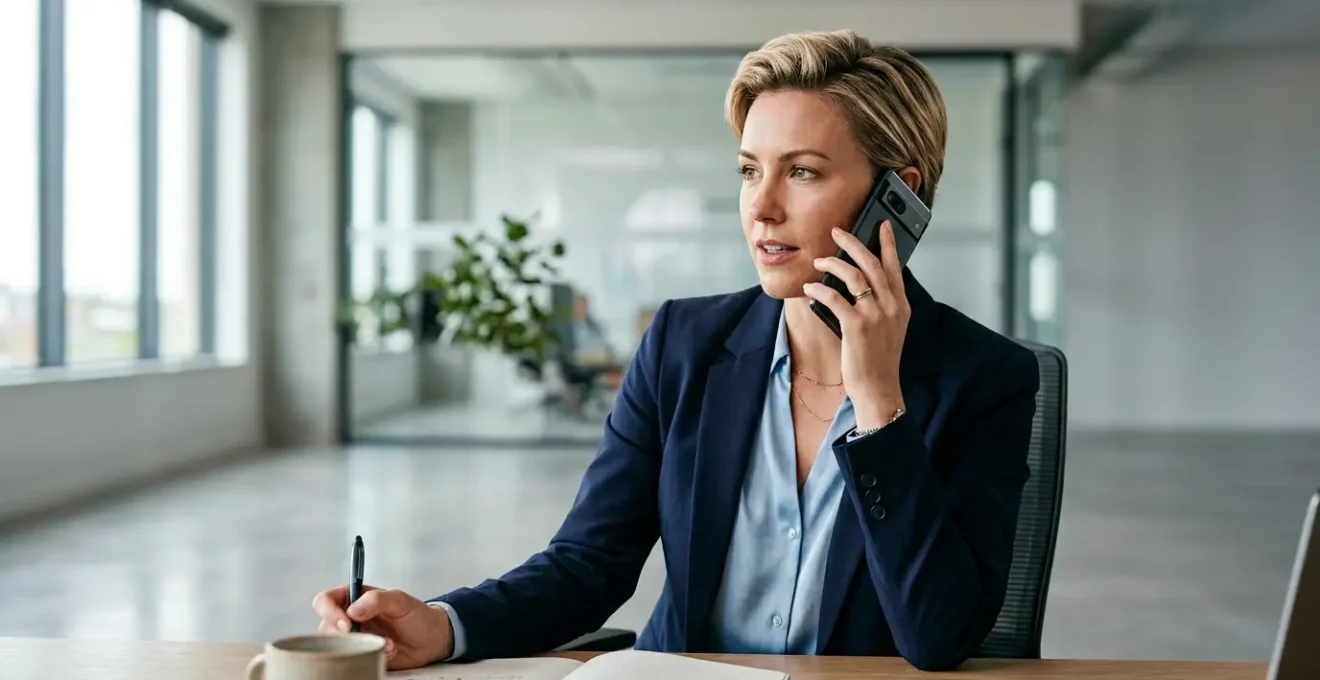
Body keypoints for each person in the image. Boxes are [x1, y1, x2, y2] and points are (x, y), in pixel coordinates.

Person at [313, 30, 1039, 673]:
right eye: (750, 170)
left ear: (898, 196)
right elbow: (589, 563)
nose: (761, 207)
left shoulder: (987, 379)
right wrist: (442, 626)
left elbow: (938, 639)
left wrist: (880, 406)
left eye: (804, 171)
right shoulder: (684, 345)